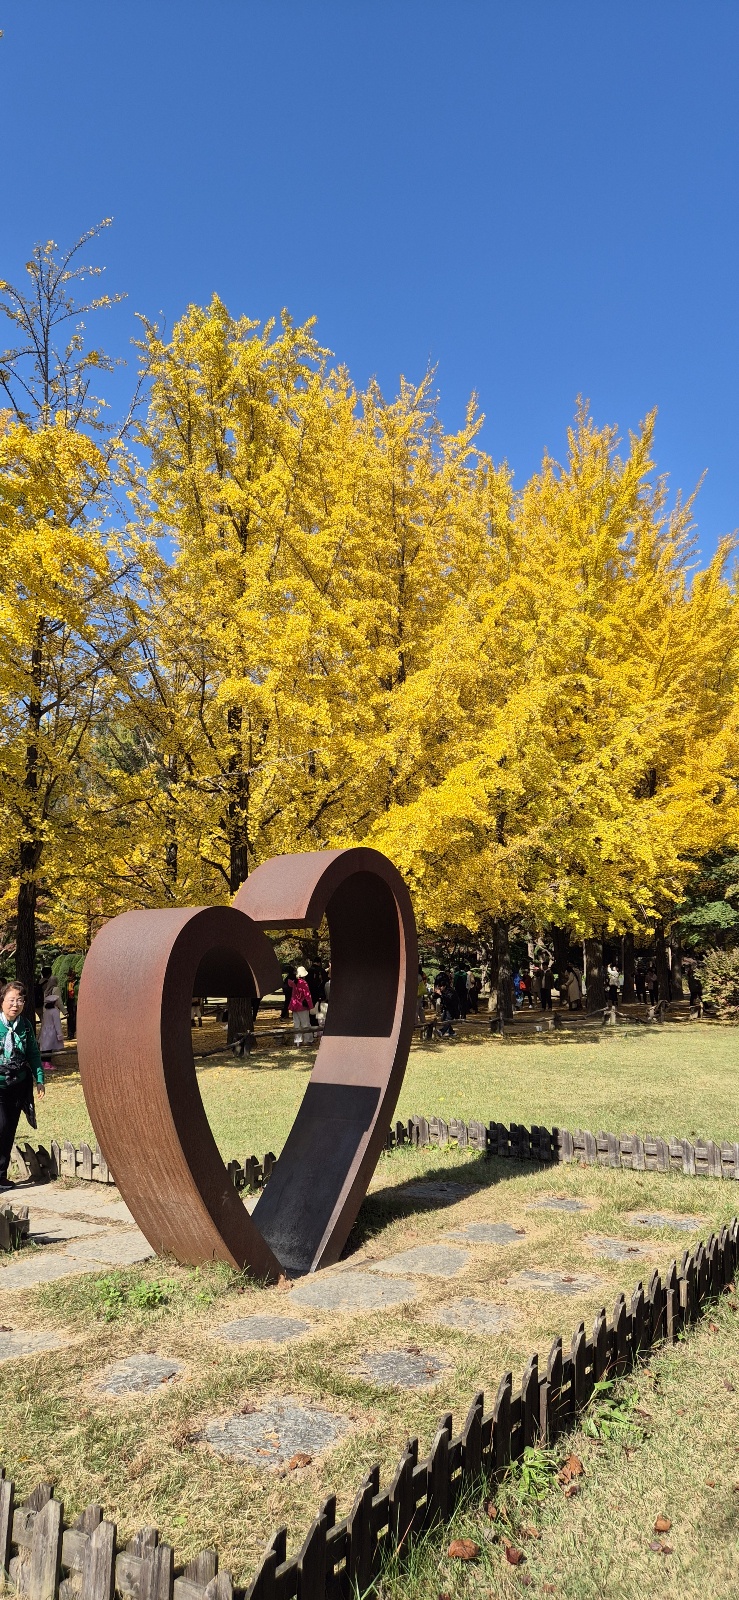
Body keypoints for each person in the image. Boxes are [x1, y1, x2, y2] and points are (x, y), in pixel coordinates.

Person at [0, 980, 45, 1191]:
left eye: (20, 1000)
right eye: (11, 1000)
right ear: (2, 1001)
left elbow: (33, 1054)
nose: (15, 1005)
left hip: (18, 1086)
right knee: (1, 1127)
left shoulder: (25, 1025)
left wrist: (39, 1079)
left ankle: (1, 1177)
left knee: (9, 1131)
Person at [38, 966, 64, 1070]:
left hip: (45, 1030)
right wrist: (60, 1034)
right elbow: (57, 1023)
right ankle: (47, 1063)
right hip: (52, 1031)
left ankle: (44, 1062)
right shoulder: (54, 1011)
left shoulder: (46, 1011)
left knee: (45, 1047)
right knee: (49, 1047)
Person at [289, 965, 314, 1046]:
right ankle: (308, 1040)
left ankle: (298, 1041)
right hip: (302, 1006)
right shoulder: (303, 983)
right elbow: (307, 995)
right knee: (305, 1023)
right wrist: (311, 1006)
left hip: (294, 1005)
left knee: (297, 1024)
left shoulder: (293, 982)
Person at [65, 972, 78, 1039]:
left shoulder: (77, 983)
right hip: (69, 1001)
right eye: (68, 976)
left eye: (70, 976)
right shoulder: (66, 983)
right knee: (69, 1017)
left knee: (75, 1017)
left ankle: (75, 1032)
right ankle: (70, 1034)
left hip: (75, 1001)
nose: (69, 977)